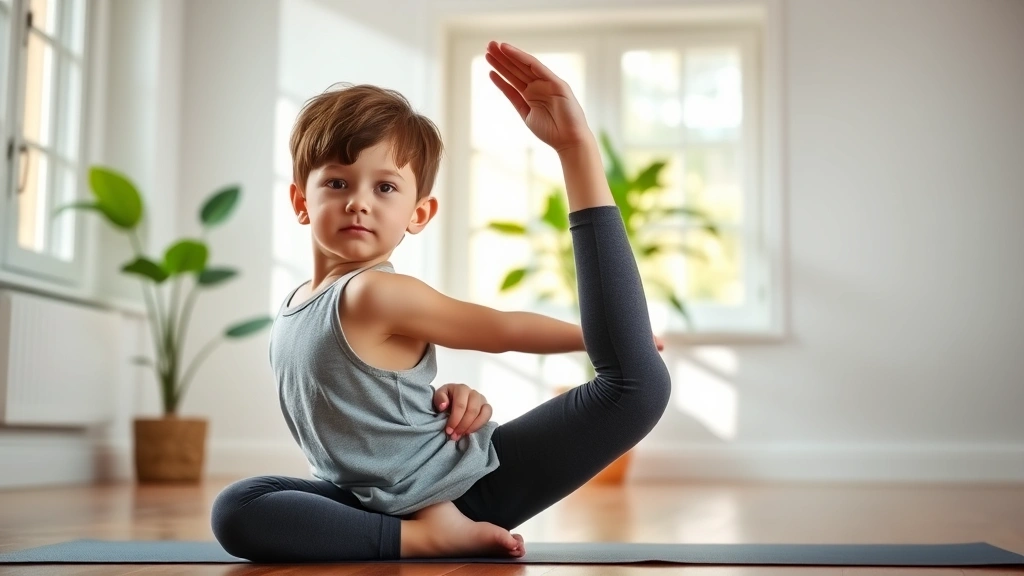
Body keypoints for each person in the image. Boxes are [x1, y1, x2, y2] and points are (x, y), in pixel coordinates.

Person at [210, 40, 671, 562]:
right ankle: (421, 538)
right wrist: (435, 397)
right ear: (301, 201)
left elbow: (502, 330)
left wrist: (599, 338)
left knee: (639, 386)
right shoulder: (299, 301)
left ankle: (435, 530)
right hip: (376, 501)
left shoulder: (373, 292)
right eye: (337, 182)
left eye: (385, 187)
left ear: (419, 213)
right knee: (240, 506)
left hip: (462, 489)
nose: (358, 200)